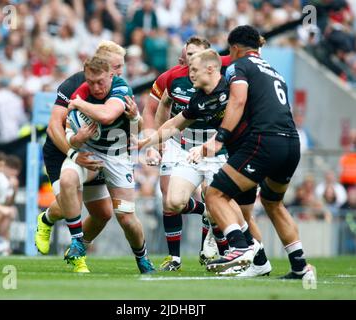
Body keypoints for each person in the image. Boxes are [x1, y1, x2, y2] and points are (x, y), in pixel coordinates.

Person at [188, 25, 315, 280]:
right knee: (273, 203)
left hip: (265, 141)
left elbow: (238, 100)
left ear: (234, 48)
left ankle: (239, 247)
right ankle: (300, 266)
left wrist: (219, 138)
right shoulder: (274, 71)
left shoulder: (240, 66)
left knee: (214, 194)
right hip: (291, 143)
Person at [141, 36, 268, 275]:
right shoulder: (182, 85)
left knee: (237, 209)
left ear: (210, 62)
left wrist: (256, 43)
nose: (191, 63)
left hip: (223, 151)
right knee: (172, 202)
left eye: (196, 58)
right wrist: (147, 142)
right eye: (189, 56)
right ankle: (216, 232)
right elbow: (169, 117)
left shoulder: (230, 79)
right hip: (187, 148)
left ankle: (255, 255)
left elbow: (244, 54)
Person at [35, 41, 140, 265]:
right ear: (101, 62)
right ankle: (47, 219)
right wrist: (73, 154)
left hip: (93, 150)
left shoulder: (117, 86)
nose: (120, 71)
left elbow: (117, 122)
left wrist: (134, 121)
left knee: (103, 213)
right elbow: (54, 126)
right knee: (68, 200)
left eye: (121, 66)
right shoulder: (73, 84)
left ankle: (77, 247)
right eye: (116, 66)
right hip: (62, 149)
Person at [61, 54, 155, 274]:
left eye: (100, 82)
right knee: (67, 179)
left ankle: (142, 257)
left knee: (126, 216)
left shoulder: (121, 88)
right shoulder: (81, 92)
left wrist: (80, 105)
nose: (95, 87)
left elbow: (107, 116)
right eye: (90, 82)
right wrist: (78, 138)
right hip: (88, 152)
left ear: (111, 76)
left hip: (116, 155)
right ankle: (76, 241)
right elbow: (69, 134)